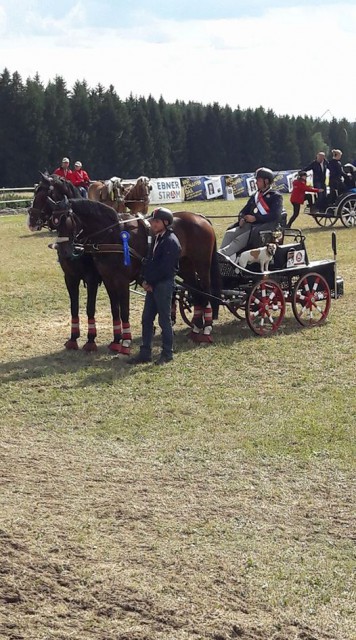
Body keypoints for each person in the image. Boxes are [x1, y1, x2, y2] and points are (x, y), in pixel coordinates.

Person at [128, 207, 181, 365]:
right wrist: (144, 280)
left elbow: (166, 269)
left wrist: (151, 282)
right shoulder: (156, 238)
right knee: (146, 319)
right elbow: (149, 261)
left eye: (156, 221)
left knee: (164, 320)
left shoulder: (171, 242)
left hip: (163, 284)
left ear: (165, 223)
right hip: (152, 284)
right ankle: (145, 353)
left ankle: (167, 353)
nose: (153, 224)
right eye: (152, 221)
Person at [219, 167, 283, 261]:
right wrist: (242, 218)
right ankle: (220, 256)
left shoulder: (276, 196)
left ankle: (220, 257)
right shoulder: (255, 196)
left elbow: (275, 215)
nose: (256, 182)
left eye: (258, 180)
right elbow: (244, 211)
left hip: (263, 228)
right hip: (251, 226)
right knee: (229, 233)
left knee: (238, 241)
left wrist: (256, 218)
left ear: (266, 181)